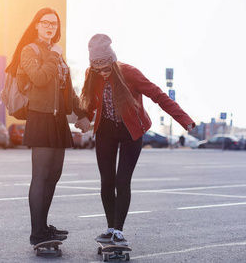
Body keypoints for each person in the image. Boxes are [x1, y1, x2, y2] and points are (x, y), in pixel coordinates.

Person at [75, 34, 195, 246]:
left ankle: (119, 231)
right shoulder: (92, 74)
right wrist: (84, 116)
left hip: (131, 132)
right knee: (106, 181)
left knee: (122, 181)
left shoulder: (129, 73)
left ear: (113, 61)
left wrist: (184, 120)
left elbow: (158, 96)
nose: (103, 73)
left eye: (106, 69)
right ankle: (110, 227)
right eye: (98, 69)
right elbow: (92, 102)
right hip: (105, 131)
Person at [8, 8, 86, 245]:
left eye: (55, 23)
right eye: (46, 23)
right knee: (40, 176)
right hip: (40, 117)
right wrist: (53, 55)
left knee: (54, 175)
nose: (51, 27)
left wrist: (82, 113)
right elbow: (40, 78)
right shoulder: (29, 50)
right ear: (37, 25)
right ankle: (36, 233)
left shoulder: (57, 54)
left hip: (58, 119)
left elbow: (67, 90)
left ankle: (44, 226)